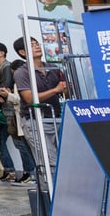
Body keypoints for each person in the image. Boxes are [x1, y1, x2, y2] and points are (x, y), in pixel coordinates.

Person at [13, 37, 68, 181]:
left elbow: (65, 91)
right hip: (35, 121)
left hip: (56, 117)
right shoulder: (22, 72)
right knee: (51, 162)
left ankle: (54, 192)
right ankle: (51, 196)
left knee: (62, 159)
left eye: (37, 44)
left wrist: (65, 89)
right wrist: (56, 90)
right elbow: (29, 98)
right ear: (22, 52)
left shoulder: (52, 67)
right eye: (31, 45)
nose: (37, 47)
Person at [0, 42, 34, 182]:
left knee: (18, 141)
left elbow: (6, 87)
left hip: (11, 110)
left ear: (2, 53)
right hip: (3, 110)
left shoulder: (7, 67)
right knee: (0, 140)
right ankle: (11, 171)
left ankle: (30, 172)